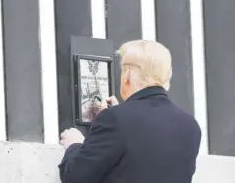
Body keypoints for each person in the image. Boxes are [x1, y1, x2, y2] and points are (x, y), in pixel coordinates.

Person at [59, 40, 201, 183]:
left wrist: (74, 145)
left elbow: (74, 177)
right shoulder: (190, 126)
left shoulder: (116, 120)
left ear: (127, 75)